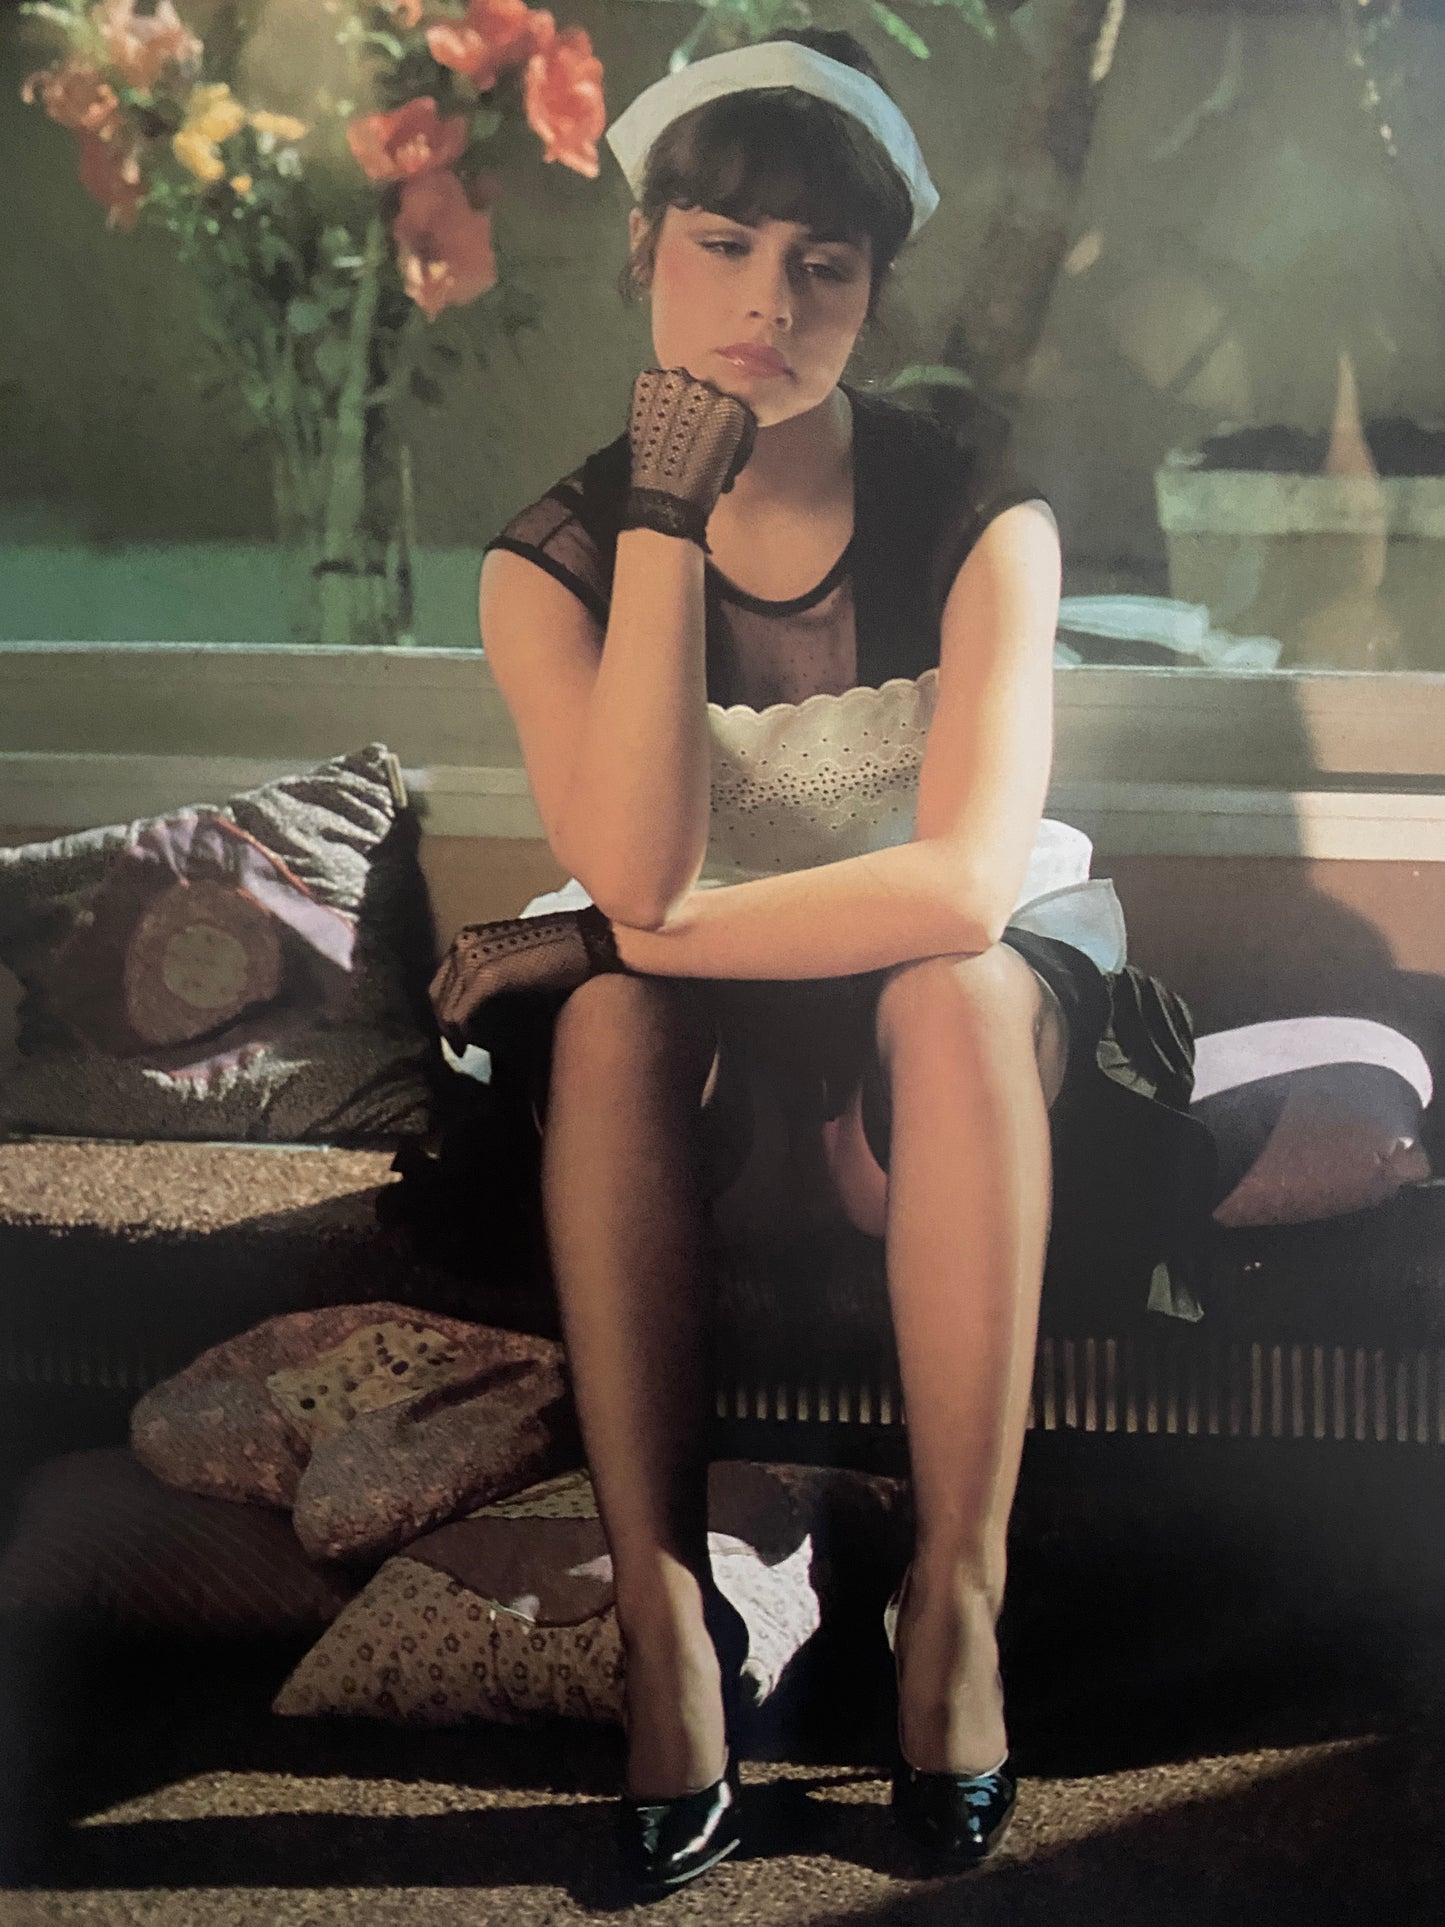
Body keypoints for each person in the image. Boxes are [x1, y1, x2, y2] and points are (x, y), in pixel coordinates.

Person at [431, 27, 1213, 1896]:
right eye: (721, 246)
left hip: (957, 1009)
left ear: (871, 293)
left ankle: (953, 1605)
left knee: (946, 990)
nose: (765, 307)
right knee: (608, 1029)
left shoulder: (979, 519)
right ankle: (666, 1631)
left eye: (821, 268)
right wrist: (664, 517)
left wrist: (605, 927)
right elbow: (640, 869)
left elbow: (956, 890)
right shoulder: (550, 559)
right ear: (645, 248)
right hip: (705, 1023)